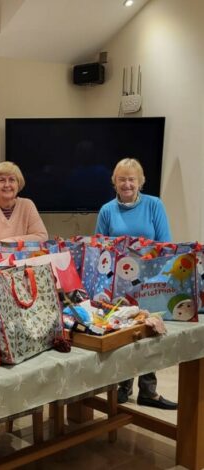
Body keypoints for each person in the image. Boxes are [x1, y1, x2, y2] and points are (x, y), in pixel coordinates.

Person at [95, 157, 177, 410]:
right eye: (122, 179)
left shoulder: (154, 205)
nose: (127, 184)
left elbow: (165, 245)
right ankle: (122, 386)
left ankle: (148, 391)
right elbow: (100, 248)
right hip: (118, 284)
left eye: (132, 179)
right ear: (115, 183)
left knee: (149, 334)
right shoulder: (107, 210)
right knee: (123, 334)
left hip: (150, 281)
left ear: (140, 181)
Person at [0, 162, 48, 247]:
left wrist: (10, 241)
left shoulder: (27, 205)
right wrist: (20, 243)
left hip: (24, 260)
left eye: (12, 180)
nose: (7, 185)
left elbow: (42, 237)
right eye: (2, 180)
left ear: (18, 184)